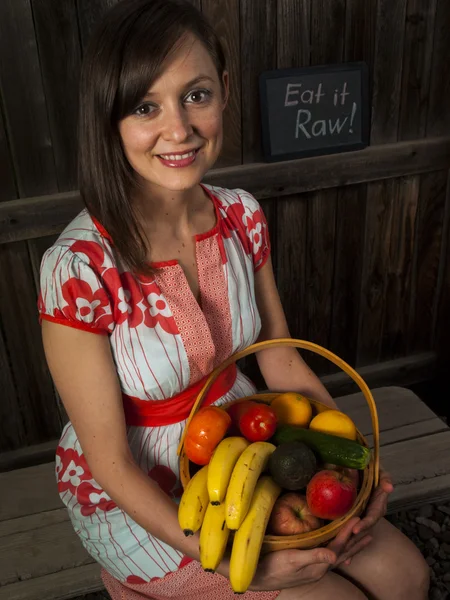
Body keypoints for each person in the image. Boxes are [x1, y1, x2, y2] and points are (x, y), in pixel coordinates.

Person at [38, 1, 430, 598]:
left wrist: (354, 466)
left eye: (195, 95)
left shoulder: (241, 215)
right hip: (138, 489)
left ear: (223, 90)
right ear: (108, 119)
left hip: (245, 436)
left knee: (407, 576)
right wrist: (229, 562)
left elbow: (281, 359)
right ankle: (135, 584)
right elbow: (111, 464)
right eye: (146, 107)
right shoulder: (77, 268)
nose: (179, 129)